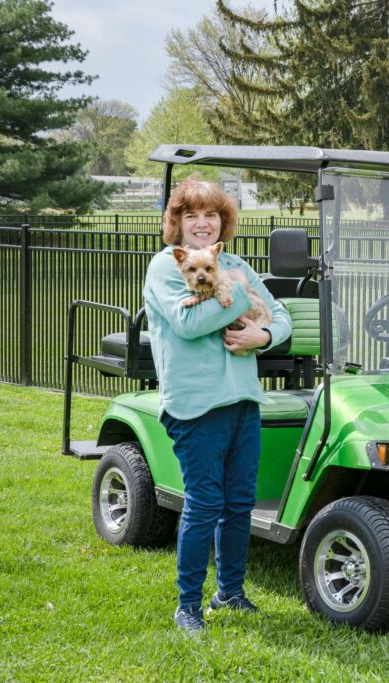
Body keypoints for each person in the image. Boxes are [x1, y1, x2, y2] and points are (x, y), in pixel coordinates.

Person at [143, 175, 292, 632]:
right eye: (192, 215)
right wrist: (243, 296)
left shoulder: (237, 264)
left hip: (243, 399)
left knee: (240, 503)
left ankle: (231, 592)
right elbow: (190, 325)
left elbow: (281, 317)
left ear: (223, 221)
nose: (203, 224)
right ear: (177, 222)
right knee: (204, 502)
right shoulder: (168, 266)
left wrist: (261, 335)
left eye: (211, 215)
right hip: (195, 404)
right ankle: (187, 606)